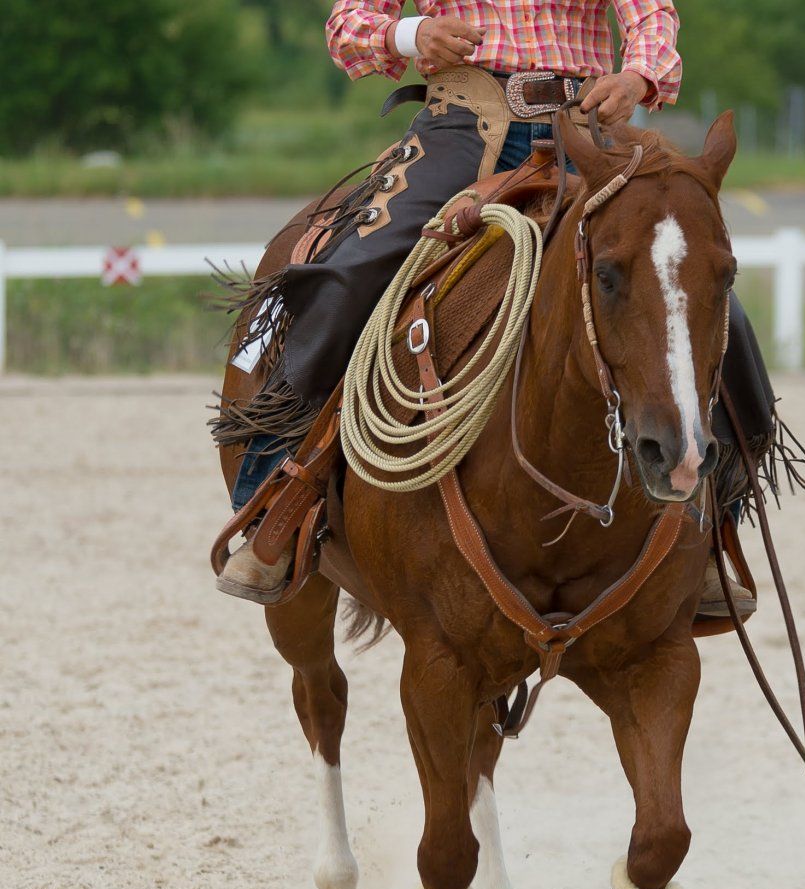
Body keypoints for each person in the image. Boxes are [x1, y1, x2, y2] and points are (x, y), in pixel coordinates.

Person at [213, 1, 758, 618]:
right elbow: (350, 25)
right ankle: (273, 496)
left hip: (591, 135)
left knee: (704, 298)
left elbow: (650, 13)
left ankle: (717, 526)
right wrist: (414, 33)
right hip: (463, 127)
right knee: (344, 277)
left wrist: (636, 76)